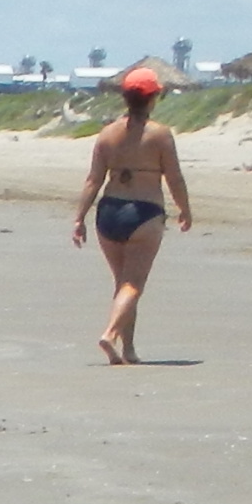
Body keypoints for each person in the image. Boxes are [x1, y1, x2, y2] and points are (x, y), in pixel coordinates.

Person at [70, 61, 193, 364]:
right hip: (144, 212)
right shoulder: (160, 135)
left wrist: (79, 218)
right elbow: (174, 177)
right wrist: (185, 209)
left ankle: (128, 351)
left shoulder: (107, 134)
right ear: (153, 98)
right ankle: (110, 334)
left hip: (109, 212)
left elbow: (93, 180)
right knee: (133, 284)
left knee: (123, 283)